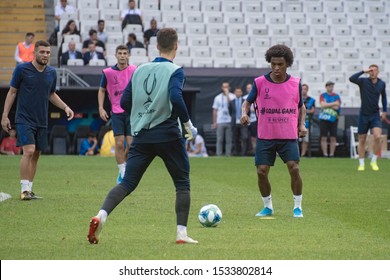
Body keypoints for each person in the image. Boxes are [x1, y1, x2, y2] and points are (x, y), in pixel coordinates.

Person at [88, 28, 198, 245]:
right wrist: (188, 125)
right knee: (182, 184)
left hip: (142, 136)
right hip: (168, 135)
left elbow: (125, 102)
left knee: (127, 182)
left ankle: (101, 215)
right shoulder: (175, 71)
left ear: (156, 46)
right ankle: (181, 234)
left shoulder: (139, 70)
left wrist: (143, 113)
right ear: (176, 46)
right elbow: (176, 97)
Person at [1, 40, 74, 200]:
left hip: (42, 120)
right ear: (34, 53)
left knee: (36, 154)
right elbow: (12, 92)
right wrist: (5, 115)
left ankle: (29, 189)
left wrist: (65, 107)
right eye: (42, 52)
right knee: (29, 150)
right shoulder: (22, 69)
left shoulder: (51, 72)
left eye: (48, 52)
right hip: (24, 118)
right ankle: (24, 190)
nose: (45, 55)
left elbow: (51, 94)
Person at [241, 44, 307, 218]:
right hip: (266, 135)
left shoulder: (295, 83)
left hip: (288, 135)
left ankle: (297, 207)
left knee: (294, 169)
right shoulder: (259, 82)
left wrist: (302, 125)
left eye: (280, 64)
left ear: (287, 64)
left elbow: (301, 107)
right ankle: (268, 206)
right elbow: (247, 102)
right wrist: (244, 113)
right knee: (261, 171)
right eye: (273, 64)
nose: (276, 68)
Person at [98, 44, 137, 183]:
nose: (122, 55)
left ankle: (124, 166)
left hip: (132, 112)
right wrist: (101, 108)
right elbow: (102, 90)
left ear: (128, 55)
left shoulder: (134, 70)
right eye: (119, 53)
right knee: (119, 144)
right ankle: (122, 172)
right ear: (115, 55)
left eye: (124, 53)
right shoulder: (108, 72)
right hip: (116, 112)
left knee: (131, 145)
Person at [349, 65, 387, 171]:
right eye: (371, 70)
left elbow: (384, 97)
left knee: (378, 137)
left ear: (378, 72)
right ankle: (361, 163)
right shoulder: (363, 81)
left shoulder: (381, 84)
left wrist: (385, 111)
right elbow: (351, 79)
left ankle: (374, 161)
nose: (372, 72)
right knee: (362, 139)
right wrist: (363, 71)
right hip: (364, 114)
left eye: (374, 70)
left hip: (375, 114)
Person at [318, 81, 341, 157]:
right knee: (323, 137)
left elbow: (337, 106)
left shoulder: (337, 96)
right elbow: (323, 105)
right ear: (326, 87)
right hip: (324, 119)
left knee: (333, 137)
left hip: (334, 119)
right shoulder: (322, 95)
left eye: (332, 86)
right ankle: (325, 154)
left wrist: (327, 104)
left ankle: (331, 154)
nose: (331, 88)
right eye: (329, 86)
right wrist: (333, 104)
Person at [212, 82, 235, 156]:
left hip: (229, 120)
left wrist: (227, 95)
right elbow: (215, 110)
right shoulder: (217, 97)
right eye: (224, 87)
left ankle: (228, 154)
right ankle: (219, 154)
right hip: (220, 121)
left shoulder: (232, 96)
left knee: (229, 140)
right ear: (221, 88)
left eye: (226, 87)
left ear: (229, 88)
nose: (225, 88)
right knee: (220, 139)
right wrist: (214, 122)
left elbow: (231, 105)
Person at [229, 86, 248, 156]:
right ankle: (236, 153)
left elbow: (247, 111)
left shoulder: (245, 101)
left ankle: (243, 153)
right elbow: (230, 112)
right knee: (235, 138)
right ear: (234, 93)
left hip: (243, 122)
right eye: (237, 92)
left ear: (242, 93)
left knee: (245, 138)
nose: (238, 93)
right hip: (234, 122)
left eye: (239, 92)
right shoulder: (231, 102)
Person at [300, 83, 316, 157]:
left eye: (305, 89)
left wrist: (303, 111)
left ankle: (302, 154)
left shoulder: (311, 100)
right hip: (296, 122)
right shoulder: (297, 98)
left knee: (305, 140)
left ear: (307, 90)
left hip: (307, 122)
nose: (304, 90)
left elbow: (312, 110)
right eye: (302, 89)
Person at [243, 83, 257, 155]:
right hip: (248, 120)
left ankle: (255, 150)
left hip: (255, 119)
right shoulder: (244, 98)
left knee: (254, 136)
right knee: (247, 137)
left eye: (250, 88)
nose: (249, 89)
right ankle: (249, 151)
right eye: (248, 88)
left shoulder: (256, 96)